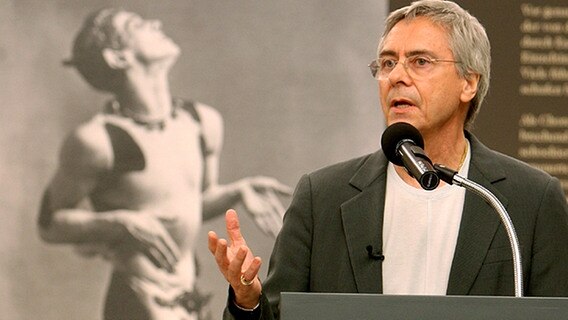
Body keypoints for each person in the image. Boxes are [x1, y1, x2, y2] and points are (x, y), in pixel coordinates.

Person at [207, 1, 568, 319]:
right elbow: (278, 315)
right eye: (387, 63)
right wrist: (248, 302)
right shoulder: (322, 199)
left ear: (468, 83)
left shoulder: (528, 201)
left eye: (420, 62)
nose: (396, 76)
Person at [37, 7, 292, 320]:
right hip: (136, 299)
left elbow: (185, 207)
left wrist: (237, 191)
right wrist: (122, 221)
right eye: (136, 25)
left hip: (188, 300)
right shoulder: (98, 140)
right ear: (118, 58)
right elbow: (49, 224)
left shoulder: (201, 122)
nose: (155, 23)